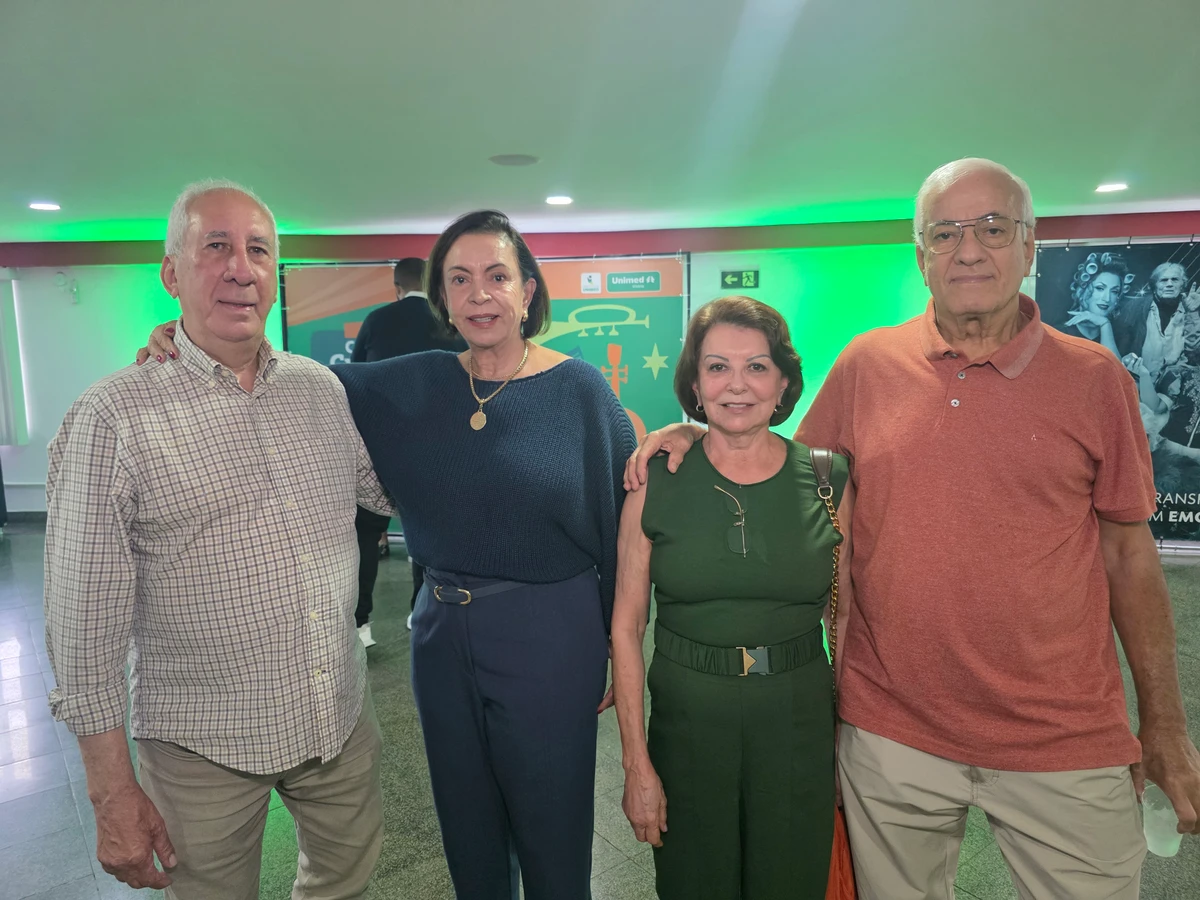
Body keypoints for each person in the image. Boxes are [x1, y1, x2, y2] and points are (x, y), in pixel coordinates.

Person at [627, 158, 1200, 899]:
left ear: (1030, 247)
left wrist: (1165, 725)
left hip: (1062, 738)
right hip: (891, 735)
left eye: (994, 228)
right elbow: (775, 454)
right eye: (946, 232)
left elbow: (1129, 557)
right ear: (921, 253)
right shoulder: (870, 364)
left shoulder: (1096, 380)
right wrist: (687, 432)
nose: (970, 249)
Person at [142, 208, 636, 900]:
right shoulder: (414, 383)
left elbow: (624, 515)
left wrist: (618, 643)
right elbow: (290, 376)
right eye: (459, 280)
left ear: (529, 291)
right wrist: (188, 337)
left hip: (549, 629)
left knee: (553, 827)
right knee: (467, 828)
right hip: (439, 632)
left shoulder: (579, 391)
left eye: (497, 276)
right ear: (443, 300)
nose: (479, 294)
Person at [52, 180, 392, 898]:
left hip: (336, 719)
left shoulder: (319, 390)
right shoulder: (113, 418)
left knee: (346, 887)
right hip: (201, 747)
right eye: (216, 247)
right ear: (172, 272)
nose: (241, 267)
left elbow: (382, 490)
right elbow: (84, 629)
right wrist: (112, 792)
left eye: (258, 250)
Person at [611, 295, 850, 898]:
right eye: (717, 367)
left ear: (784, 381)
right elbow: (626, 625)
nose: (736, 385)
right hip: (688, 720)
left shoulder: (827, 479)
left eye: (757, 367)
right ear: (694, 382)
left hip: (796, 718)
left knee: (789, 884)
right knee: (696, 883)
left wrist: (850, 749)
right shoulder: (654, 480)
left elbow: (844, 619)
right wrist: (636, 765)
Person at [350, 257, 467, 642]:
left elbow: (354, 382)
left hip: (375, 448)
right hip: (438, 449)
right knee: (429, 528)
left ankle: (361, 623)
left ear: (396, 286)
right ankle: (421, 609)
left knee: (366, 536)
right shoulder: (450, 322)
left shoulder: (377, 320)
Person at [1113, 260, 1200, 377]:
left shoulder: (1191, 310)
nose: (1169, 284)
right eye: (1164, 280)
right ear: (1154, 286)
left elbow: (1194, 354)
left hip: (1175, 386)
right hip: (1137, 381)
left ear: (1182, 285)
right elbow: (1120, 346)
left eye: (1175, 279)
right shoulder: (1135, 307)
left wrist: (1192, 313)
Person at [1058, 251, 1131, 356]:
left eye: (1114, 291)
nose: (1107, 298)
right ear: (1082, 289)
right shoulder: (1060, 334)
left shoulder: (1122, 335)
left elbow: (1113, 370)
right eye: (1100, 288)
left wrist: (1105, 324)